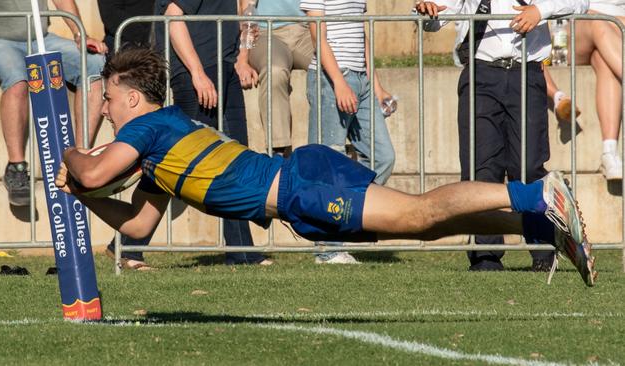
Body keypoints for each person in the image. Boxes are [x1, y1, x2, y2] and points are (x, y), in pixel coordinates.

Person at [56, 48, 596, 286]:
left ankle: (535, 196)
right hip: (298, 191)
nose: (103, 109)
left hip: (299, 188)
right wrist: (81, 197)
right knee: (430, 227)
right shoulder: (158, 147)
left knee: (419, 215)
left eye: (105, 98)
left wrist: (70, 156)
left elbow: (97, 170)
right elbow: (137, 226)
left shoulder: (143, 128)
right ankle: (541, 223)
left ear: (129, 97)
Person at [416, 0, 588, 272]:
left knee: (529, 166)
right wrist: (429, 12)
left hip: (528, 72)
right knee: (481, 167)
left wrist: (539, 11)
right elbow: (438, 16)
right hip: (481, 72)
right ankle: (485, 255)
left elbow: (581, 3)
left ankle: (544, 250)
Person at [151, 0, 270, 265]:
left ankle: (242, 251)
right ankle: (128, 244)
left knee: (237, 161)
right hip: (201, 72)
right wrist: (197, 73)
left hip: (224, 65)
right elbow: (173, 18)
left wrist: (241, 55)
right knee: (178, 162)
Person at [0, 0, 107, 206]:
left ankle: (81, 160)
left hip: (41, 39)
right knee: (17, 79)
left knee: (93, 65)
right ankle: (16, 168)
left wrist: (79, 34)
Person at [299, 0, 396, 264]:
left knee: (383, 156)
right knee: (328, 163)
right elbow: (317, 32)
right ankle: (327, 249)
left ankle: (350, 215)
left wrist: (376, 86)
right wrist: (339, 83)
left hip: (361, 79)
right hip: (331, 79)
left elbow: (360, 34)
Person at [97, 0, 156, 270]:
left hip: (148, 62)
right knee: (152, 157)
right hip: (132, 55)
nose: (103, 110)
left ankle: (127, 247)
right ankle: (128, 248)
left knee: (158, 160)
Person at [543, 1, 625, 181]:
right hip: (572, 30)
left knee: (602, 60)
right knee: (598, 22)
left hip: (616, 33)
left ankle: (609, 151)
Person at [235, 0, 315, 157]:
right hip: (267, 32)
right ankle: (278, 152)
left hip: (306, 31)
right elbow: (248, 8)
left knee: (335, 66)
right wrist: (243, 58)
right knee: (275, 70)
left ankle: (335, 147)